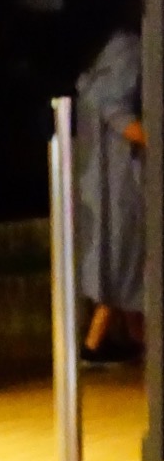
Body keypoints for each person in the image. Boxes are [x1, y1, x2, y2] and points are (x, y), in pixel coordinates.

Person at [76, 19, 145, 364]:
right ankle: (94, 343)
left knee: (124, 256)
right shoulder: (129, 52)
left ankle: (136, 336)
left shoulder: (97, 69)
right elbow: (119, 114)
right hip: (121, 181)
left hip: (98, 182)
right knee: (124, 256)